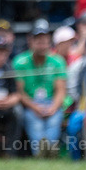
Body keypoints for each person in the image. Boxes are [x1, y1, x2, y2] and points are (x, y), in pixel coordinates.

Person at [13, 20, 68, 156]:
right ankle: (42, 151)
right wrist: (34, 107)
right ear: (30, 41)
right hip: (30, 104)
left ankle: (48, 148)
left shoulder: (57, 61)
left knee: (54, 120)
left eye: (44, 40)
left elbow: (61, 90)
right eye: (38, 40)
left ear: (49, 41)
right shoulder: (20, 62)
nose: (42, 44)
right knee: (34, 121)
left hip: (51, 102)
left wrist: (53, 107)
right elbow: (19, 93)